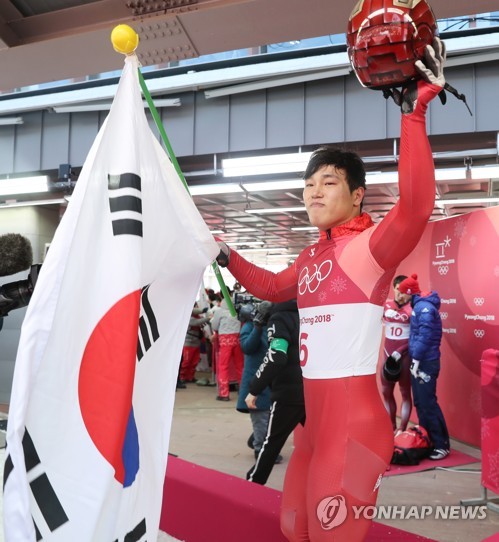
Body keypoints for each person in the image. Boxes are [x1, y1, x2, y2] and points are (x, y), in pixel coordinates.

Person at [215, 39, 446, 541]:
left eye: (328, 183)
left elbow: (415, 208)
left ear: (357, 193)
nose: (314, 192)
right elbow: (274, 286)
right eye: (308, 184)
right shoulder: (311, 254)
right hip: (312, 428)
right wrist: (226, 255)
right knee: (294, 528)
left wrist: (413, 114)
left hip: (352, 427)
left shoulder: (369, 247)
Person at [246, 299, 305, 485]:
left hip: (289, 392)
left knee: (271, 443)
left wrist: (254, 388)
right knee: (322, 444)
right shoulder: (312, 314)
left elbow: (276, 356)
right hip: (316, 390)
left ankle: (252, 484)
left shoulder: (280, 317)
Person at [398, 273, 450, 460]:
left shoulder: (424, 308)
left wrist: (417, 358)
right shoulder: (418, 307)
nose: (399, 296)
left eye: (402, 292)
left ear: (409, 293)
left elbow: (426, 335)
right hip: (420, 361)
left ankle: (441, 444)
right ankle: (429, 441)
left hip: (426, 363)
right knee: (421, 403)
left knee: (428, 403)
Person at [237, 301, 273, 460]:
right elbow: (247, 347)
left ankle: (257, 440)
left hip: (270, 378)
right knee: (261, 415)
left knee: (270, 417)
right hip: (255, 379)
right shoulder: (250, 326)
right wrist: (257, 327)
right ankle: (260, 448)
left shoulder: (272, 325)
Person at [380, 274, 413, 433]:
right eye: (398, 290)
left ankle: (402, 429)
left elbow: (416, 336)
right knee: (386, 392)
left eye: (405, 291)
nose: (400, 294)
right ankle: (390, 427)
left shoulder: (414, 307)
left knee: (405, 392)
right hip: (387, 355)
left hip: (405, 357)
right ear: (393, 289)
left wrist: (400, 352)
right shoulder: (385, 305)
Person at [210, 297, 244, 400]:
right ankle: (242, 391)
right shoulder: (238, 310)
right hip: (238, 338)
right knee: (240, 366)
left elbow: (214, 326)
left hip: (225, 340)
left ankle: (224, 393)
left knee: (223, 366)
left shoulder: (220, 311)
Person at [179, 305, 211, 385]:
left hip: (196, 342)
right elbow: (196, 322)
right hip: (188, 343)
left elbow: (197, 315)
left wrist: (203, 311)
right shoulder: (187, 317)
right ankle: (182, 377)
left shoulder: (196, 316)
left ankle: (190, 377)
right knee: (186, 361)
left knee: (194, 361)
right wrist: (208, 318)